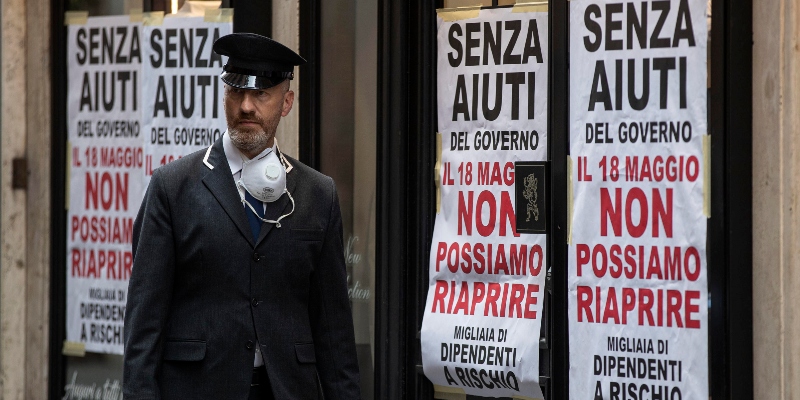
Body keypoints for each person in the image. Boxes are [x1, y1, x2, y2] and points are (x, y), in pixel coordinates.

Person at [123, 33, 361, 400]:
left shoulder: (318, 194)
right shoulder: (172, 187)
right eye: (236, 92)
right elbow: (143, 324)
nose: (246, 106)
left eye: (261, 94)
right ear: (224, 96)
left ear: (287, 102)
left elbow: (334, 332)